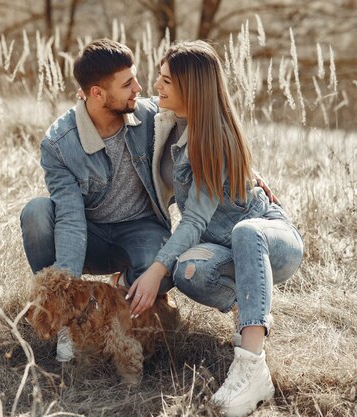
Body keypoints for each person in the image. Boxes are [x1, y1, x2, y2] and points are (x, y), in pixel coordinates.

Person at [125, 40, 304, 417]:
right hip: (220, 248)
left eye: (166, 81)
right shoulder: (166, 121)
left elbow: (194, 221)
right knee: (188, 270)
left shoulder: (214, 139)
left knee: (245, 233)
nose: (156, 86)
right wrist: (83, 100)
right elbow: (116, 104)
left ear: (193, 88)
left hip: (269, 238)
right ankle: (251, 306)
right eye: (158, 78)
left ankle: (251, 366)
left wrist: (156, 270)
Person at [20, 39, 174, 362]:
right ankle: (64, 317)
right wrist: (68, 294)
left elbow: (201, 132)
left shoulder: (150, 116)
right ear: (97, 94)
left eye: (134, 78)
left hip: (139, 229)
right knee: (36, 214)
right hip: (90, 235)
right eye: (127, 83)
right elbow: (71, 219)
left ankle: (125, 298)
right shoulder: (59, 144)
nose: (139, 87)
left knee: (162, 262)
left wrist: (246, 171)